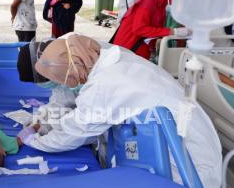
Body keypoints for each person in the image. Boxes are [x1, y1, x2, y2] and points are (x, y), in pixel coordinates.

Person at [16, 33, 222, 188]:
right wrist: (42, 121)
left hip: (186, 162)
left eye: (59, 79)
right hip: (188, 132)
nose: (60, 84)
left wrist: (34, 140)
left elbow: (71, 134)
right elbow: (62, 98)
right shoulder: (90, 53)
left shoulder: (101, 86)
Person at [110, 0, 189, 59]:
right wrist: (172, 32)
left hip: (138, 49)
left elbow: (154, 27)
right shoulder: (149, 1)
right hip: (129, 47)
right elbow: (139, 29)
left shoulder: (161, 6)